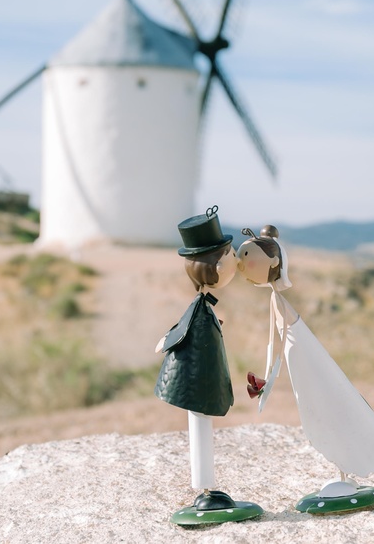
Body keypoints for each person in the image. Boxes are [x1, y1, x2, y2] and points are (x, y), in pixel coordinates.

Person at [237, 225, 374, 507]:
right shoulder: (276, 299)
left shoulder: (278, 301)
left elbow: (277, 342)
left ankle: (346, 465)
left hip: (303, 356)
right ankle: (344, 467)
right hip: (299, 354)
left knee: (326, 401)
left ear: (272, 263)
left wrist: (270, 379)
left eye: (248, 256)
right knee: (321, 403)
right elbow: (276, 343)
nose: (241, 262)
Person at [153, 206, 262, 524]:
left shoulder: (204, 306)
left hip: (198, 377)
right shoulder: (200, 307)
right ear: (214, 268)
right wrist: (167, 340)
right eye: (229, 255)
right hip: (195, 380)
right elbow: (184, 328)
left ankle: (208, 487)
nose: (237, 260)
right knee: (199, 426)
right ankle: (205, 488)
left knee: (200, 424)